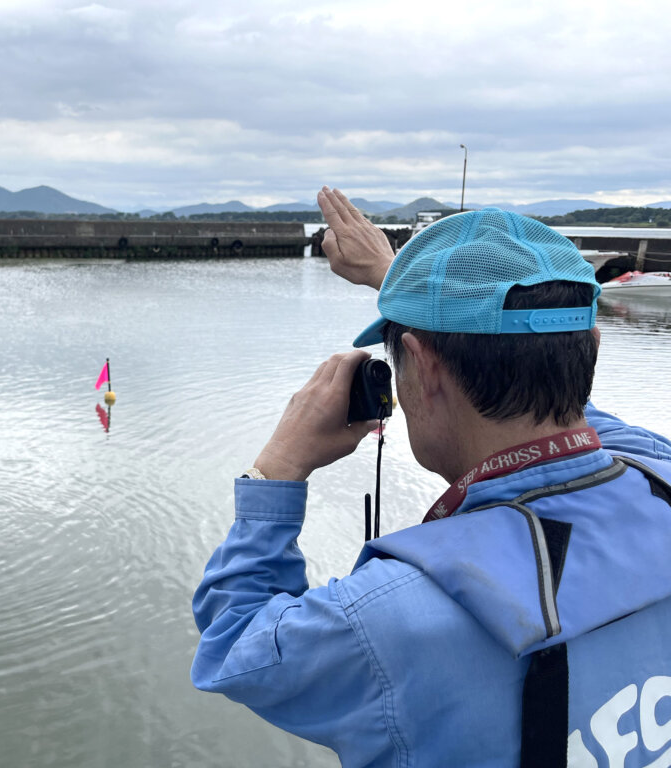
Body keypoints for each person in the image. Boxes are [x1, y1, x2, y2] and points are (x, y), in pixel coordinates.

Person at [191, 187, 671, 766]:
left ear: (419, 364)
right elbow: (573, 416)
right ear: (591, 345)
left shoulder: (392, 622)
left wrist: (278, 468)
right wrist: (409, 289)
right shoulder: (658, 472)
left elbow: (234, 641)